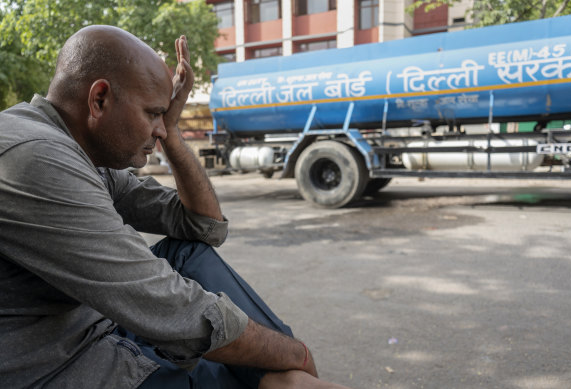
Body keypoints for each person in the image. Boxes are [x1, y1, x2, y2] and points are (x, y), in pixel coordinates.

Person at [0, 25, 351, 389]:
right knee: (252, 360)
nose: (160, 130)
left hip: (96, 329)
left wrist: (174, 133)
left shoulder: (85, 153)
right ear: (100, 99)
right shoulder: (34, 157)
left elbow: (204, 226)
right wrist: (296, 354)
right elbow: (165, 306)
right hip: (59, 365)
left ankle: (281, 380)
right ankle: (286, 377)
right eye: (153, 114)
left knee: (187, 254)